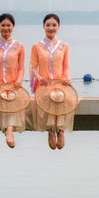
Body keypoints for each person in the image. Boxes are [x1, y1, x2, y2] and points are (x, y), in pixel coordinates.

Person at [30, 13, 73, 149]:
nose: (51, 28)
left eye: (54, 25)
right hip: (44, 84)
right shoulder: (36, 46)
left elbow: (66, 67)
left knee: (60, 96)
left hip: (60, 84)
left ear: (59, 27)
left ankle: (60, 131)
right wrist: (39, 77)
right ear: (43, 26)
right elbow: (32, 67)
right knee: (51, 96)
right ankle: (50, 131)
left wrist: (67, 79)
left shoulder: (64, 46)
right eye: (48, 25)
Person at [0, 13, 26, 148]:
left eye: (8, 25)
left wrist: (18, 81)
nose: (5, 28)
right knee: (2, 97)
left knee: (13, 96)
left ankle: (9, 130)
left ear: (13, 26)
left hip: (14, 84)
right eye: (3, 25)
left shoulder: (19, 46)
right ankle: (9, 130)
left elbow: (21, 68)